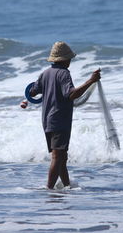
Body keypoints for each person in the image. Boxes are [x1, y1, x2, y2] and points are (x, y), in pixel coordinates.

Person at [30, 41, 101, 189]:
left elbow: (32, 91)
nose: (70, 61)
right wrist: (91, 81)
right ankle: (48, 189)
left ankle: (67, 186)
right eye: (69, 59)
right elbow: (71, 94)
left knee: (62, 156)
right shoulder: (64, 74)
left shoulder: (45, 73)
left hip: (47, 121)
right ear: (65, 60)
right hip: (60, 121)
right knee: (57, 156)